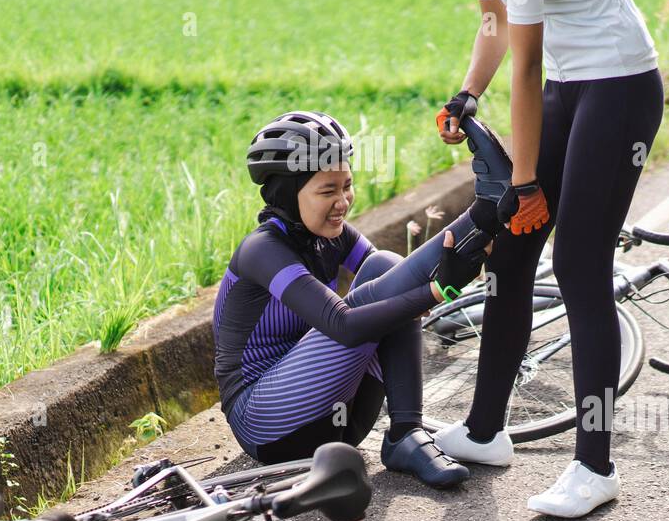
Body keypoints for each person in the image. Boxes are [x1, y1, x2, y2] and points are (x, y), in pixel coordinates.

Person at [346, 0, 666, 518]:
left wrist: (523, 182)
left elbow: (527, 61)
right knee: (513, 254)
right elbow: (494, 21)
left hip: (618, 82)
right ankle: (486, 431)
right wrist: (466, 93)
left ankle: (595, 466)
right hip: (572, 84)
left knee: (579, 265)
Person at [213, 109, 507, 488]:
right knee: (366, 303)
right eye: (327, 191)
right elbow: (345, 327)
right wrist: (437, 290)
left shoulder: (331, 235)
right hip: (266, 425)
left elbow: (397, 282)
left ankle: (406, 432)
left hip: (342, 425)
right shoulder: (262, 250)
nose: (343, 201)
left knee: (385, 264)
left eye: (346, 186)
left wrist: (433, 286)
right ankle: (485, 208)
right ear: (288, 193)